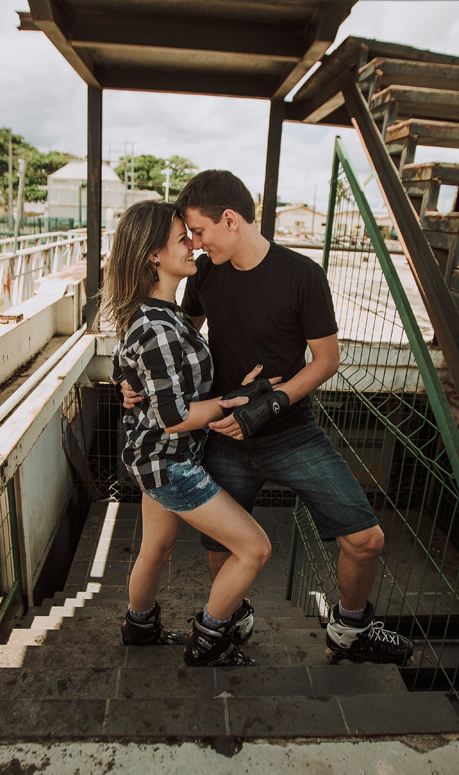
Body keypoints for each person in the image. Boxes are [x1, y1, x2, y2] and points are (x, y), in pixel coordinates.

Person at [122, 171, 414, 665]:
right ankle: (229, 616)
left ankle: (351, 629)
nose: (196, 243)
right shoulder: (207, 272)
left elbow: (326, 361)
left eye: (199, 231)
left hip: (291, 433)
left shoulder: (302, 275)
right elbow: (174, 341)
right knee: (222, 545)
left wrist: (270, 404)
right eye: (188, 235)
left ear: (230, 220)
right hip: (222, 435)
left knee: (367, 540)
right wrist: (133, 381)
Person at [103, 199, 275, 667]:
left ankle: (139, 628)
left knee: (156, 548)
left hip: (154, 456)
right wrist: (236, 399)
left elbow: (130, 366)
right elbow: (175, 417)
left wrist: (127, 384)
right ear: (153, 255)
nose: (194, 246)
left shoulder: (159, 313)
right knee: (254, 548)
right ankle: (208, 640)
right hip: (169, 461)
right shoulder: (157, 326)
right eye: (184, 239)